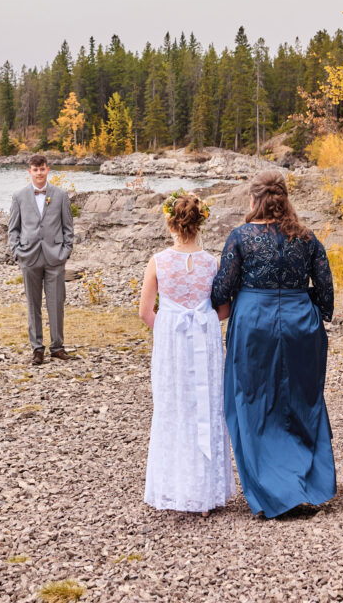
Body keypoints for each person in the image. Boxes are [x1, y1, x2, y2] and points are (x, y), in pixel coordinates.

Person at [211, 169, 336, 519]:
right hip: (300, 325)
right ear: (284, 201)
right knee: (301, 401)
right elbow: (326, 297)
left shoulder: (240, 237)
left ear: (253, 201)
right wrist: (302, 300)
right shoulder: (308, 238)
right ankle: (304, 484)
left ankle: (272, 490)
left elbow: (221, 291)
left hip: (254, 325)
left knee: (252, 402)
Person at [140, 190, 235, 515]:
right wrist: (199, 321)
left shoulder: (158, 261)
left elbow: (144, 311)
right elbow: (223, 310)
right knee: (204, 407)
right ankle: (204, 494)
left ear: (171, 223)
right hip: (204, 343)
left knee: (172, 408)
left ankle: (173, 490)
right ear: (199, 224)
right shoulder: (213, 262)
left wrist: (168, 328)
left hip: (172, 345)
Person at [8, 154, 75, 365]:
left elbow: (68, 227)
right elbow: (13, 228)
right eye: (35, 170)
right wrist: (17, 252)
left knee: (56, 304)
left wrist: (65, 251)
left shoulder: (61, 194)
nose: (39, 173)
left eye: (42, 169)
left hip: (55, 257)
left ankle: (57, 347)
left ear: (47, 170)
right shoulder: (18, 196)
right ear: (30, 172)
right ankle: (37, 348)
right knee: (33, 304)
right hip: (29, 257)